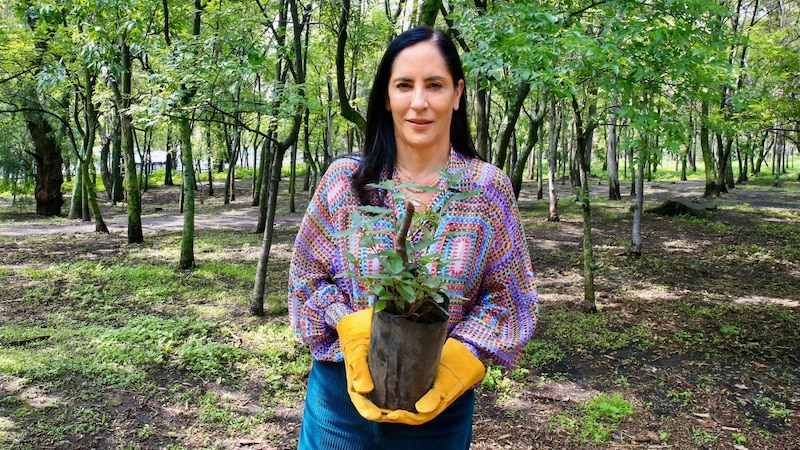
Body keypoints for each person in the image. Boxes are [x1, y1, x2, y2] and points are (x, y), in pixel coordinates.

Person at [288, 25, 538, 449]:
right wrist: (345, 324)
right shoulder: (345, 183)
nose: (419, 102)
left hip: (437, 410)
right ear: (387, 96)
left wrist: (464, 354)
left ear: (457, 94)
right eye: (404, 85)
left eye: (435, 85)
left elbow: (510, 297)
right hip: (339, 405)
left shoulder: (486, 190)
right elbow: (306, 279)